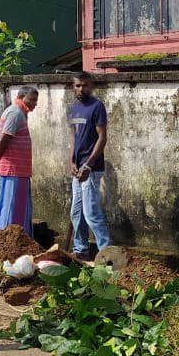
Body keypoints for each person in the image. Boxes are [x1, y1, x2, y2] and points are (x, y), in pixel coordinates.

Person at [67, 70, 111, 262]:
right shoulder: (73, 108)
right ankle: (81, 249)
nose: (81, 88)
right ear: (73, 86)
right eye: (77, 85)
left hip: (91, 169)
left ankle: (107, 254)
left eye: (85, 85)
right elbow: (74, 137)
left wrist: (88, 165)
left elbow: (102, 138)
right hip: (78, 169)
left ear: (91, 86)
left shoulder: (97, 107)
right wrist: (72, 161)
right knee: (76, 212)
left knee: (91, 212)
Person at [0, 85, 38, 231]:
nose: (35, 103)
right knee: (12, 207)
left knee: (18, 207)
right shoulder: (15, 113)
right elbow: (4, 138)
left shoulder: (19, 113)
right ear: (22, 97)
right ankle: (8, 240)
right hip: (13, 170)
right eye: (32, 99)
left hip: (19, 170)